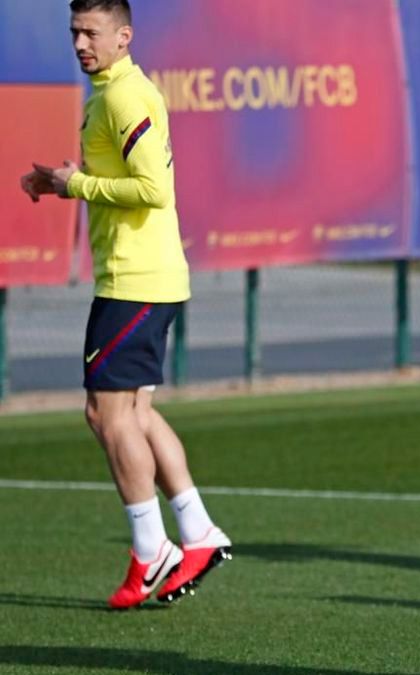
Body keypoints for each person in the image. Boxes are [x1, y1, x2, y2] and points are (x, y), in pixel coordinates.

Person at [19, 0, 231, 610]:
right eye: (75, 32)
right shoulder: (111, 94)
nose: (81, 43)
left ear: (124, 36)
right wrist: (64, 181)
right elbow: (124, 177)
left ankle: (151, 548)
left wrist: (77, 183)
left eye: (92, 32)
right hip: (141, 277)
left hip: (134, 279)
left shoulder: (124, 96)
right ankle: (196, 531)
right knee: (129, 414)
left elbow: (152, 189)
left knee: (108, 415)